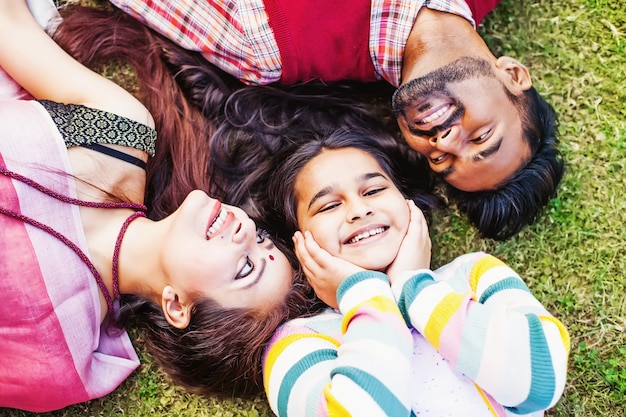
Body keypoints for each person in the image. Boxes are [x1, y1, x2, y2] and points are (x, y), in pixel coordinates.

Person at [0, 1, 320, 412]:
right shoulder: (123, 134)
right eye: (261, 238)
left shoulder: (58, 351)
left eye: (245, 267)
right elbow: (10, 29)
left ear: (176, 305)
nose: (244, 230)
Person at [106, 0, 565, 240]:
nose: (445, 140)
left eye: (442, 160)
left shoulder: (269, 47)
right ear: (512, 75)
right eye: (482, 136)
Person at [260, 130, 570, 416]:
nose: (359, 210)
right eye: (328, 206)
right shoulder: (298, 343)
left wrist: (414, 287)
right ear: (298, 240)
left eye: (373, 190)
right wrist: (363, 295)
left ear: (406, 201)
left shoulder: (475, 274)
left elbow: (539, 381)